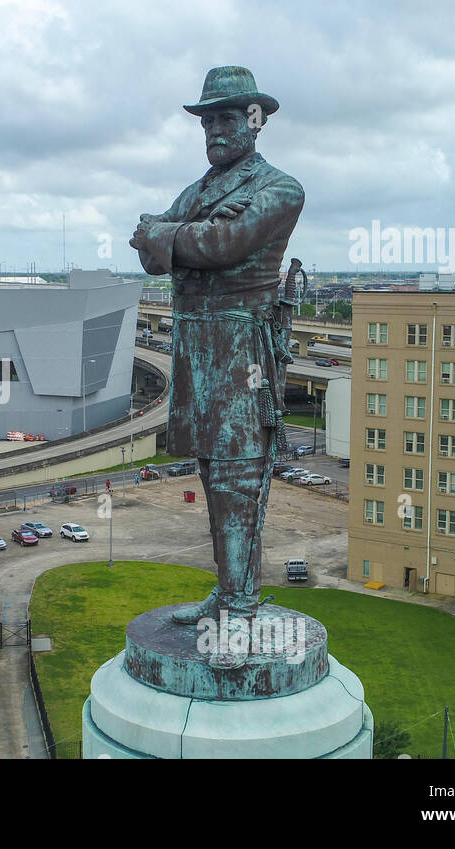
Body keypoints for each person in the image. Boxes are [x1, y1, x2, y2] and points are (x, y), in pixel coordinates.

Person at [130, 66, 304, 669]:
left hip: (241, 353)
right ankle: (228, 592)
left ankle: (242, 608)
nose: (214, 130)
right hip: (196, 349)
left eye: (227, 118)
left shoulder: (280, 188)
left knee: (239, 478)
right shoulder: (201, 190)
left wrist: (170, 235)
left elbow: (225, 246)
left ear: (255, 122)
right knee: (211, 473)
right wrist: (180, 237)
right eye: (207, 120)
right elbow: (156, 251)